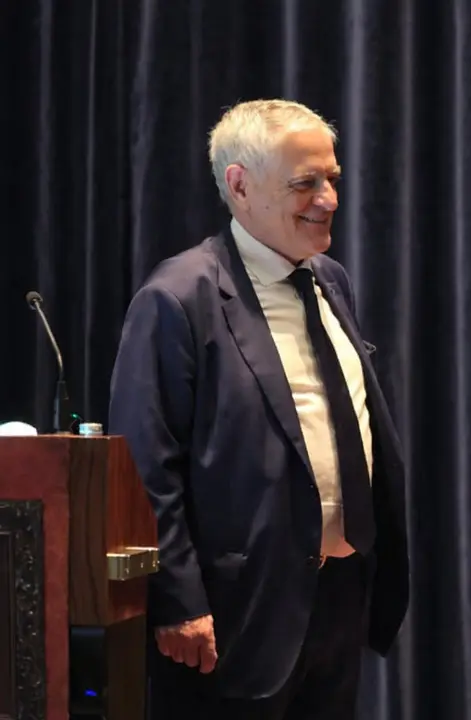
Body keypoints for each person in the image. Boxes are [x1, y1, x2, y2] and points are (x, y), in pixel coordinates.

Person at [109, 99, 409, 719]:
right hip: (233, 615)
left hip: (336, 599)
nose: (328, 198)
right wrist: (177, 601)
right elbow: (145, 468)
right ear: (239, 185)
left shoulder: (329, 279)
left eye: (332, 179)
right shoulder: (179, 296)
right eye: (305, 183)